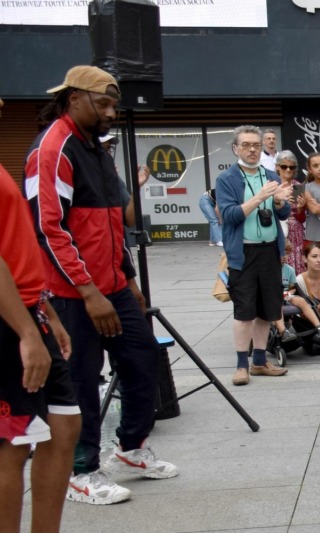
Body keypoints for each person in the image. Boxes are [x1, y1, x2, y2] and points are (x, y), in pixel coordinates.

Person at [30, 66, 179, 504]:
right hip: (71, 294)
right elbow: (48, 228)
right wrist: (89, 292)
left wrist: (127, 279)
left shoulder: (95, 147)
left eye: (115, 103)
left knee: (143, 359)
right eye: (104, 103)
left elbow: (112, 225)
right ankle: (81, 470)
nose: (113, 111)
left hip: (111, 284)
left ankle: (131, 448)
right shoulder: (52, 149)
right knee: (80, 380)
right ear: (74, 98)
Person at [0, 93, 79, 524]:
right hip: (11, 323)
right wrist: (27, 333)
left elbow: (15, 247)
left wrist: (43, 312)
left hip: (30, 310)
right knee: (12, 446)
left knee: (64, 427)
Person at [217, 125, 297, 387]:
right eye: (246, 145)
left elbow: (282, 215)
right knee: (244, 312)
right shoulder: (227, 179)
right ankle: (242, 365)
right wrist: (260, 196)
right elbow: (229, 216)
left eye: (256, 145)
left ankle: (260, 362)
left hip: (270, 250)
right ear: (235, 148)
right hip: (244, 252)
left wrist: (277, 202)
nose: (252, 149)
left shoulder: (271, 174)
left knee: (267, 310)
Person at [276, 151, 309, 274]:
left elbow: (302, 219)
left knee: (298, 265)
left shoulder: (298, 186)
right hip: (278, 228)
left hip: (296, 232)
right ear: (277, 167)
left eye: (292, 167)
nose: (288, 170)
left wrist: (301, 207)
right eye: (284, 166)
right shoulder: (273, 185)